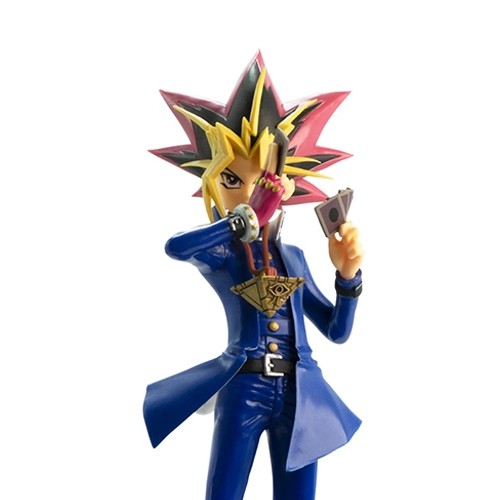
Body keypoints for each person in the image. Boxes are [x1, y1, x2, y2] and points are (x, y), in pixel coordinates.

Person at [143, 52, 364, 500]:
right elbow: (176, 247)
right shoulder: (222, 250)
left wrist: (348, 278)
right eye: (231, 180)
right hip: (244, 386)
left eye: (262, 181)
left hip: (300, 392)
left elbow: (336, 331)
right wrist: (244, 217)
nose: (248, 191)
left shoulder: (294, 257)